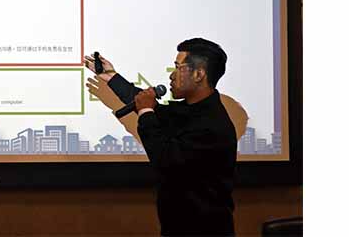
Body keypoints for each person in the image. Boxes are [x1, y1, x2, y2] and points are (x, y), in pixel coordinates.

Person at [85, 38, 237, 237]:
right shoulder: (190, 111)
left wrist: (146, 111)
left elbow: (165, 159)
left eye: (178, 68)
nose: (172, 76)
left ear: (199, 74)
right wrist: (111, 77)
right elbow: (146, 103)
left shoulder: (212, 125)